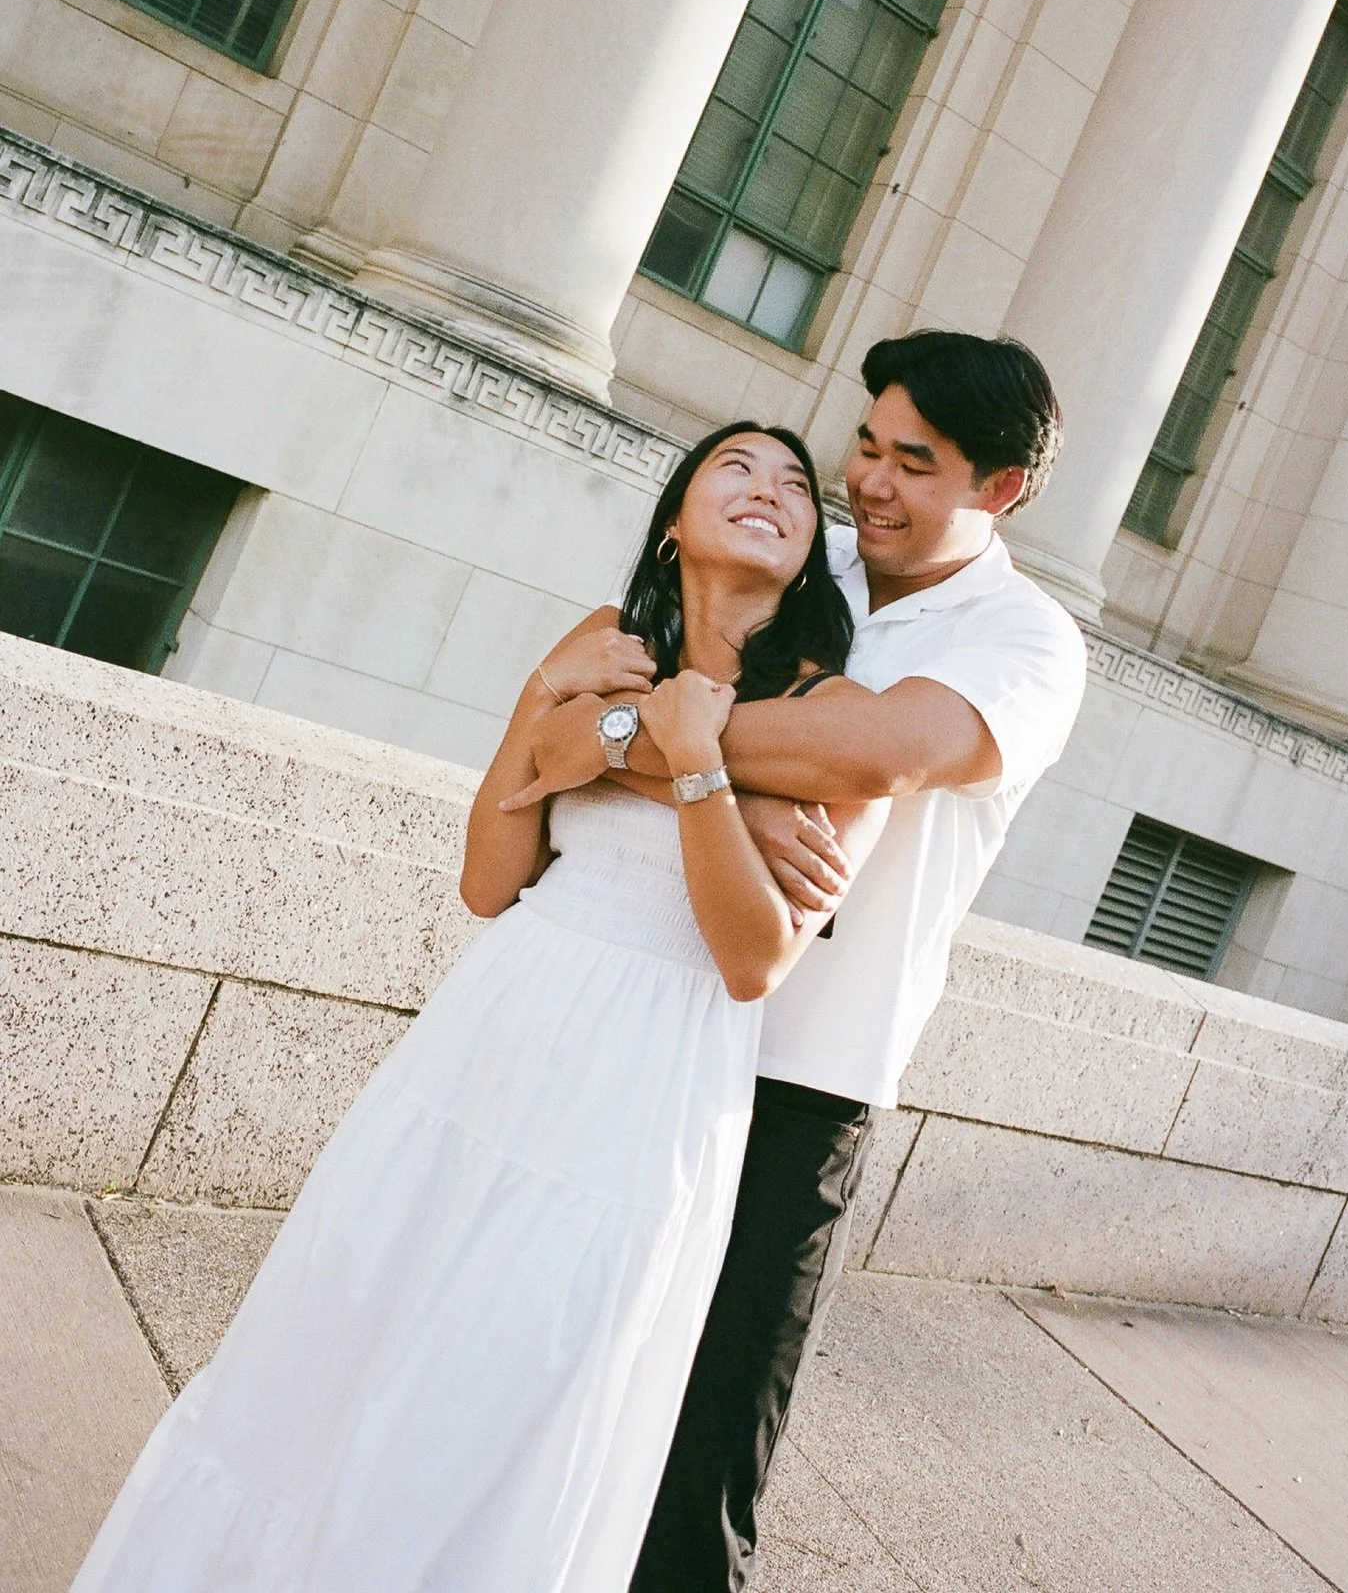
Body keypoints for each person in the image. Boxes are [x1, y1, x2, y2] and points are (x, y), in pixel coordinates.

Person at [70, 424, 889, 1593]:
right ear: (673, 521)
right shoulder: (602, 645)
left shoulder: (830, 709)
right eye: (735, 469)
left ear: (811, 549)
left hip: (649, 1077)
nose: (769, 490)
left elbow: (756, 958)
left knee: (514, 1388)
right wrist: (577, 716)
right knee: (355, 1333)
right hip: (499, 1034)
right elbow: (491, 874)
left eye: (796, 485)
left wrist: (697, 767)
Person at [507, 331, 1089, 1589]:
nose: (867, 480)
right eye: (868, 445)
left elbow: (869, 754)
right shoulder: (799, 552)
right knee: (556, 1367)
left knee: (706, 1447)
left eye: (914, 465)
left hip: (807, 1069)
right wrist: (696, 773)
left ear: (999, 490)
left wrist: (652, 751)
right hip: (652, 1011)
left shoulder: (1027, 640)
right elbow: (612, 697)